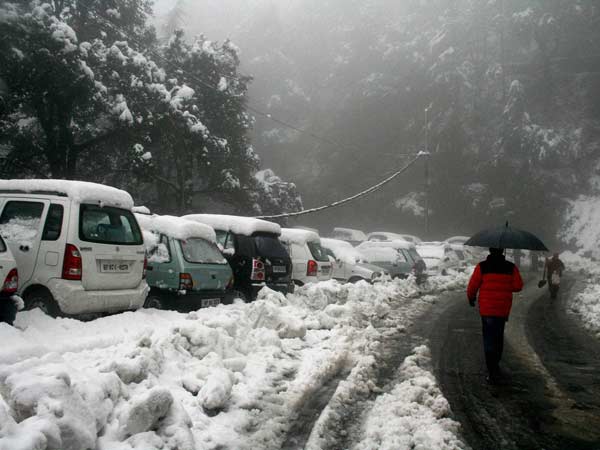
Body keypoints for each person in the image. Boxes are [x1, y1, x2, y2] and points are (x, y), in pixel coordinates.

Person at [467, 248, 524, 384]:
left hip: (486, 310)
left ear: (490, 251)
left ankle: (491, 369)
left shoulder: (482, 266)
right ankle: (496, 365)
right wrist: (505, 286)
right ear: (502, 252)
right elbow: (518, 286)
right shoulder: (510, 267)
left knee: (488, 337)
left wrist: (471, 297)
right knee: (498, 337)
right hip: (502, 310)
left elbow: (473, 285)